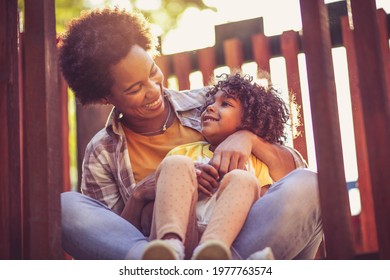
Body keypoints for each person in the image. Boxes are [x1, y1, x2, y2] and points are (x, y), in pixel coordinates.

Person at [59, 7, 322, 260]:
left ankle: (219, 262)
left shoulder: (209, 105)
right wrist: (141, 195)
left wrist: (248, 139)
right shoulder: (102, 151)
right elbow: (111, 239)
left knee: (311, 184)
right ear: (106, 96)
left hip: (237, 238)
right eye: (135, 88)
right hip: (159, 248)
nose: (153, 90)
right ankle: (164, 263)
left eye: (152, 72)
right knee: (65, 208)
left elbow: (292, 174)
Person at [142, 72, 289, 260]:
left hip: (228, 239)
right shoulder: (183, 153)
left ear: (250, 120)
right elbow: (156, 204)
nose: (210, 107)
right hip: (184, 229)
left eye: (225, 104)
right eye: (210, 102)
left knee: (244, 179)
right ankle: (169, 246)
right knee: (175, 164)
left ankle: (212, 252)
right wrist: (187, 184)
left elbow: (263, 209)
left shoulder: (255, 162)